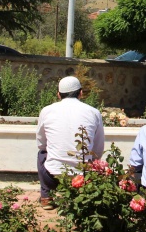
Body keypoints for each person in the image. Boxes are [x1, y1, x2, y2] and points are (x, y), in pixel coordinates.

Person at [36, 76, 105, 210]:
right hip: (84, 174)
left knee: (42, 153)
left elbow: (41, 143)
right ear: (81, 93)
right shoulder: (94, 112)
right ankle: (84, 196)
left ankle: (46, 198)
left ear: (58, 95)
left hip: (53, 174)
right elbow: (98, 149)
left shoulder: (46, 111)